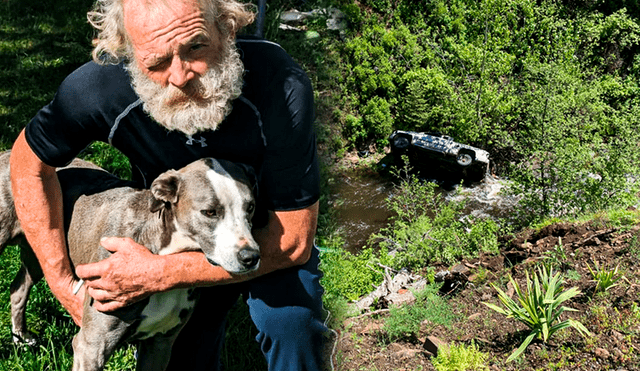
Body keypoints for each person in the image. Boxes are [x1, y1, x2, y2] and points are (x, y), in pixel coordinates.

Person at [9, 0, 327, 369]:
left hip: (269, 235)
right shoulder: (98, 89)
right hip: (173, 233)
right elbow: (27, 166)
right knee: (184, 357)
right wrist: (62, 280)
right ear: (127, 52)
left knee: (292, 326)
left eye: (195, 47)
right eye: (157, 62)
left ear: (226, 27)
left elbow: (295, 239)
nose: (180, 76)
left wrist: (157, 275)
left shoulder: (279, 83)